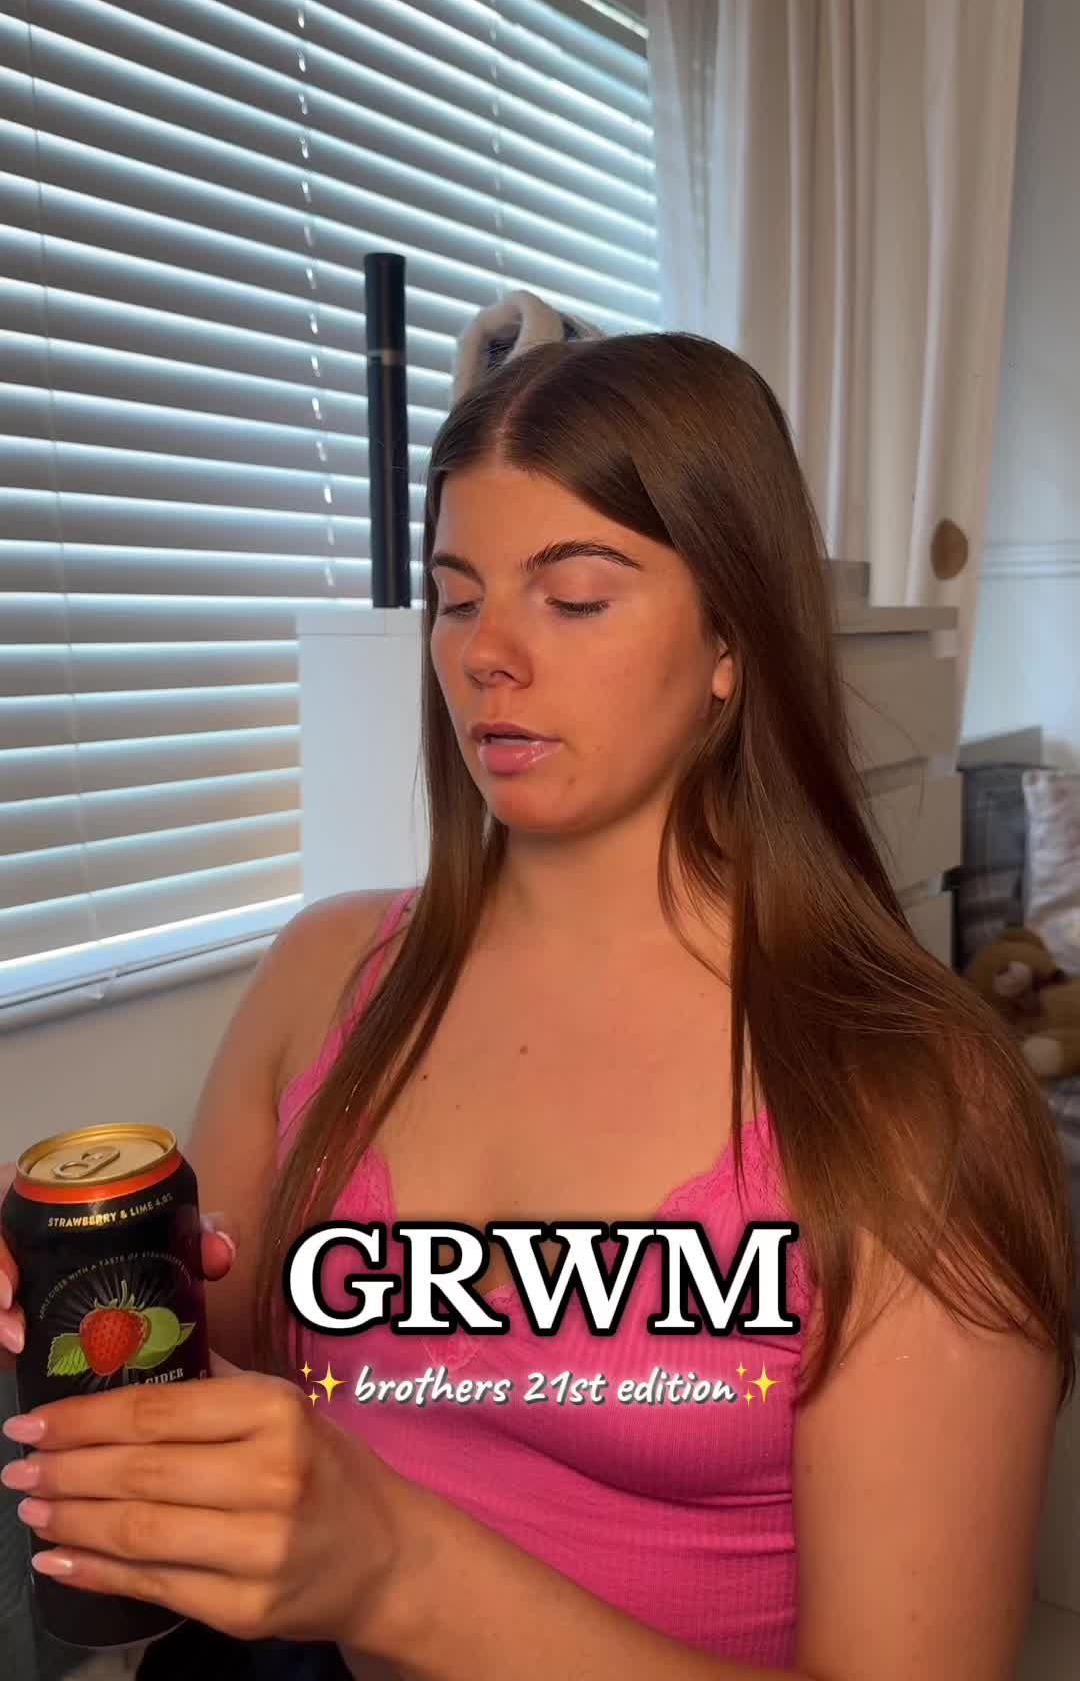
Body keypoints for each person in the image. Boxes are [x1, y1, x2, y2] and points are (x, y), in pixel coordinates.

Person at [0, 332, 1075, 1681]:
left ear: (733, 637)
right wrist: (82, 1304)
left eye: (573, 599)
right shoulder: (324, 974)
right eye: (456, 601)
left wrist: (397, 1574)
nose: (488, 656)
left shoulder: (913, 1101)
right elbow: (232, 1373)